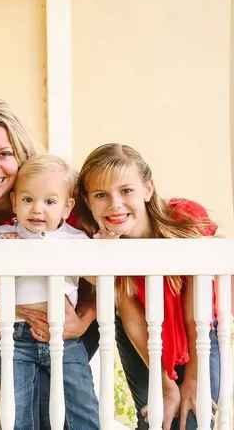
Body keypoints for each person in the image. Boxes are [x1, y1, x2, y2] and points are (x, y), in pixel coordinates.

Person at [75, 143, 220, 430]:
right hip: (144, 341)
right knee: (157, 419)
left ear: (148, 189)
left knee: (191, 419)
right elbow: (130, 315)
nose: (115, 204)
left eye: (126, 191)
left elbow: (197, 310)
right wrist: (166, 386)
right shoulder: (101, 243)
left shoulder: (183, 219)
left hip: (200, 333)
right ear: (88, 201)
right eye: (101, 195)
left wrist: (192, 378)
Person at [0, 99, 99, 354]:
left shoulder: (61, 208)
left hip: (71, 336)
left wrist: (83, 321)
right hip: (19, 343)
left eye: (4, 153)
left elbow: (105, 282)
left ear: (22, 154)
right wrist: (3, 313)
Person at [0, 154, 99, 430]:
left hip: (64, 336)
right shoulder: (4, 235)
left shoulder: (76, 240)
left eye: (49, 202)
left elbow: (100, 279)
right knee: (16, 411)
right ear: (14, 202)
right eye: (27, 200)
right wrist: (4, 254)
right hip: (15, 337)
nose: (37, 209)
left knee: (82, 404)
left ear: (67, 207)